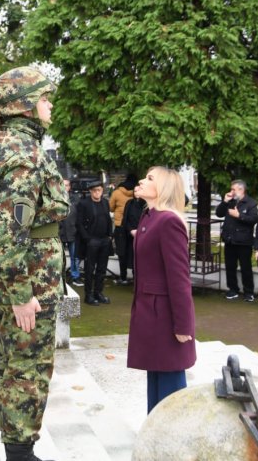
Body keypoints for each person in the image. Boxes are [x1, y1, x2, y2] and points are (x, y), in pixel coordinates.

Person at [0, 66, 65, 461]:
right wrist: (23, 295)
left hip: (22, 275)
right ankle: (20, 454)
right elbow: (8, 234)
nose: (49, 104)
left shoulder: (6, 144)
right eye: (43, 97)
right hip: (29, 279)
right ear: (24, 106)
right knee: (28, 367)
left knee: (15, 364)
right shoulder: (23, 152)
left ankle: (18, 449)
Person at [127, 166, 196, 413]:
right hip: (150, 313)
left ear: (163, 188)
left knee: (171, 386)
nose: (142, 181)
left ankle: (171, 443)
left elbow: (179, 279)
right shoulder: (150, 216)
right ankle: (154, 435)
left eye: (150, 178)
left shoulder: (168, 221)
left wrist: (183, 326)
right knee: (155, 378)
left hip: (165, 316)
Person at [217, 180, 258, 301]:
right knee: (230, 267)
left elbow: (253, 219)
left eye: (233, 189)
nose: (231, 192)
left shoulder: (251, 203)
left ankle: (249, 292)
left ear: (241, 190)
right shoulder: (230, 201)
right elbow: (219, 213)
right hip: (229, 240)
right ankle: (233, 289)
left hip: (244, 242)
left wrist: (239, 215)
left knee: (246, 267)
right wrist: (225, 201)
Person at [77, 179, 114, 305]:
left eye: (99, 190)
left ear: (102, 191)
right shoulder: (84, 204)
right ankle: (88, 295)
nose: (97, 193)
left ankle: (98, 293)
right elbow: (79, 223)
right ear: (90, 191)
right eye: (94, 190)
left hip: (104, 240)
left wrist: (109, 235)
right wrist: (87, 239)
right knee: (89, 269)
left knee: (102, 269)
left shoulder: (105, 202)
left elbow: (108, 219)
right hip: (91, 241)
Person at [110, 174, 138, 284]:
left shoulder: (117, 192)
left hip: (120, 225)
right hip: (134, 228)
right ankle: (136, 277)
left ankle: (123, 277)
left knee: (121, 252)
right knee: (135, 252)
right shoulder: (137, 193)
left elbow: (111, 207)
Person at [59, 179, 83, 287]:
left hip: (73, 232)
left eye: (67, 185)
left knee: (75, 256)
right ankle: (59, 277)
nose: (65, 187)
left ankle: (75, 276)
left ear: (70, 187)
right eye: (62, 185)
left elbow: (79, 215)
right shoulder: (54, 198)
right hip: (59, 232)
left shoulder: (76, 199)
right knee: (58, 256)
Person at [120, 191, 147, 286]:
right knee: (132, 258)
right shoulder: (129, 203)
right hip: (130, 235)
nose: (137, 193)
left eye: (138, 191)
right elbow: (126, 218)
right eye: (135, 191)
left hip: (144, 234)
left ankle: (140, 281)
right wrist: (130, 230)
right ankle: (133, 280)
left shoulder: (146, 204)